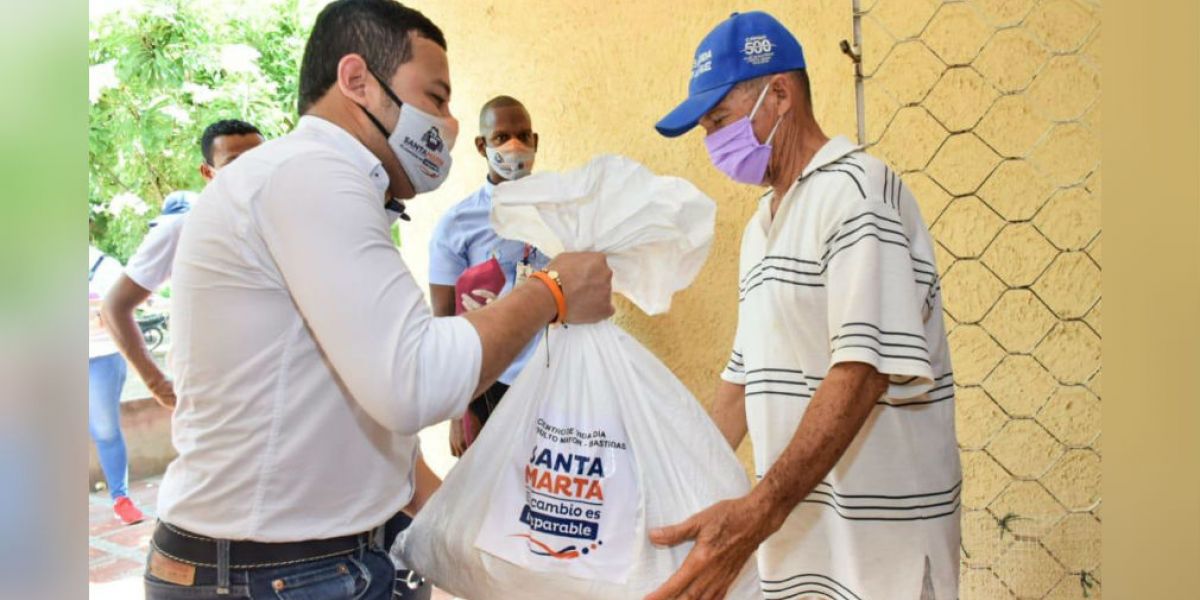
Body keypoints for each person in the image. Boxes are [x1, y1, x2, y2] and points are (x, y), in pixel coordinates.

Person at [142, 1, 613, 599]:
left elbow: (362, 407)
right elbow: (413, 380)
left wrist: (488, 556)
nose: (447, 123)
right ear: (357, 81)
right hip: (275, 573)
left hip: (323, 556)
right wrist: (553, 290)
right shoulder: (311, 175)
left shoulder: (329, 186)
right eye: (436, 97)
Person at [647, 11, 961, 600]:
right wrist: (681, 488)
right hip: (803, 556)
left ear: (780, 95)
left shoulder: (857, 193)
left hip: (878, 562)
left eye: (719, 120)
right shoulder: (762, 226)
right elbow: (743, 376)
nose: (712, 143)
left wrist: (757, 514)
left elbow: (862, 371)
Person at [102, 119, 264, 409]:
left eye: (259, 159)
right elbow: (115, 307)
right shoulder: (182, 229)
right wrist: (159, 386)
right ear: (208, 172)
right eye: (234, 163)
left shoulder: (279, 223)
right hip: (212, 400)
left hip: (273, 395)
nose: (250, 171)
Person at [429, 95, 549, 457]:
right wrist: (457, 412)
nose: (515, 146)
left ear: (535, 142)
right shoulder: (457, 224)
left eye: (523, 135)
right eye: (500, 137)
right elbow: (444, 323)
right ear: (481, 145)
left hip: (557, 374)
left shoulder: (561, 208)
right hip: (492, 382)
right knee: (497, 493)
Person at [89, 244, 144, 525]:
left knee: (105, 429)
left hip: (102, 357)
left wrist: (102, 314)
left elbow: (127, 307)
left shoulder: (104, 266)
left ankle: (120, 499)